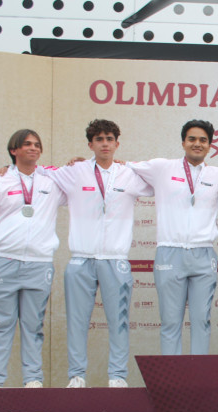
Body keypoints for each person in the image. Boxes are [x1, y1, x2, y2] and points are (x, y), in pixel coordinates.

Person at [38, 119, 153, 388]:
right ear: (90, 144)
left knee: (119, 322)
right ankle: (77, 375)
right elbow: (37, 171)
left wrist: (131, 164)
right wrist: (5, 169)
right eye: (99, 139)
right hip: (81, 259)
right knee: (77, 322)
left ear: (117, 144)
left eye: (109, 139)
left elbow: (164, 183)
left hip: (115, 260)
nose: (104, 143)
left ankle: (117, 376)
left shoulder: (129, 175)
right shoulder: (75, 171)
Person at [126, 119, 218, 356]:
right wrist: (84, 165)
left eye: (203, 140)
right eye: (192, 139)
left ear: (210, 146)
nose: (197, 144)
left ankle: (198, 381)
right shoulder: (161, 167)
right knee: (170, 322)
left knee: (201, 321)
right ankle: (172, 383)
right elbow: (119, 169)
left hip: (203, 254)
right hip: (170, 253)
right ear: (183, 142)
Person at [0, 129, 66, 388]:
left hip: (39, 264)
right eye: (27, 144)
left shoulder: (51, 182)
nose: (33, 148)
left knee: (33, 326)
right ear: (13, 150)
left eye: (37, 144)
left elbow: (80, 175)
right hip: (3, 261)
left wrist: (78, 161)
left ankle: (33, 380)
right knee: (2, 325)